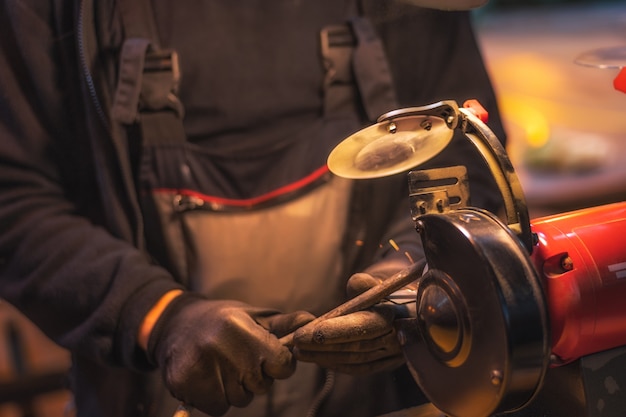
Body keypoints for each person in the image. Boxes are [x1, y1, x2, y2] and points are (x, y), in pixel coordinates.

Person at [0, 1, 504, 416]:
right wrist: (155, 314)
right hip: (141, 395)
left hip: (380, 400)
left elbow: (466, 152)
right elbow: (15, 199)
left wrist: (412, 274)